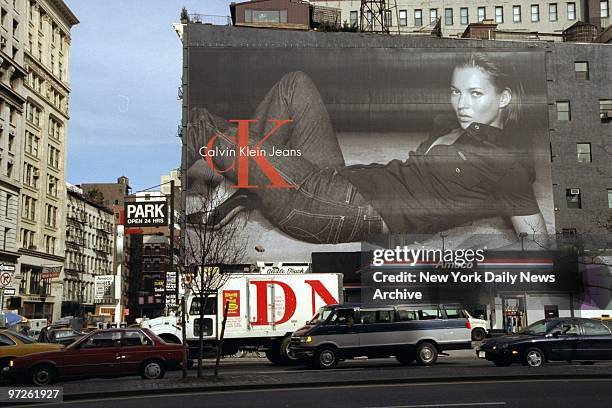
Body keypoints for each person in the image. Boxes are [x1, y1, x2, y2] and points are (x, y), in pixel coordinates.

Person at [186, 53, 547, 245]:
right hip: (339, 177)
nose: (461, 104)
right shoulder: (457, 128)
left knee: (209, 129)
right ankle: (254, 181)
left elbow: (539, 243)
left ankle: (242, 181)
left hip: (327, 208)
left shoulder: (507, 167)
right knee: (294, 85)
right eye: (456, 92)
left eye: (475, 93)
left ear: (504, 97)